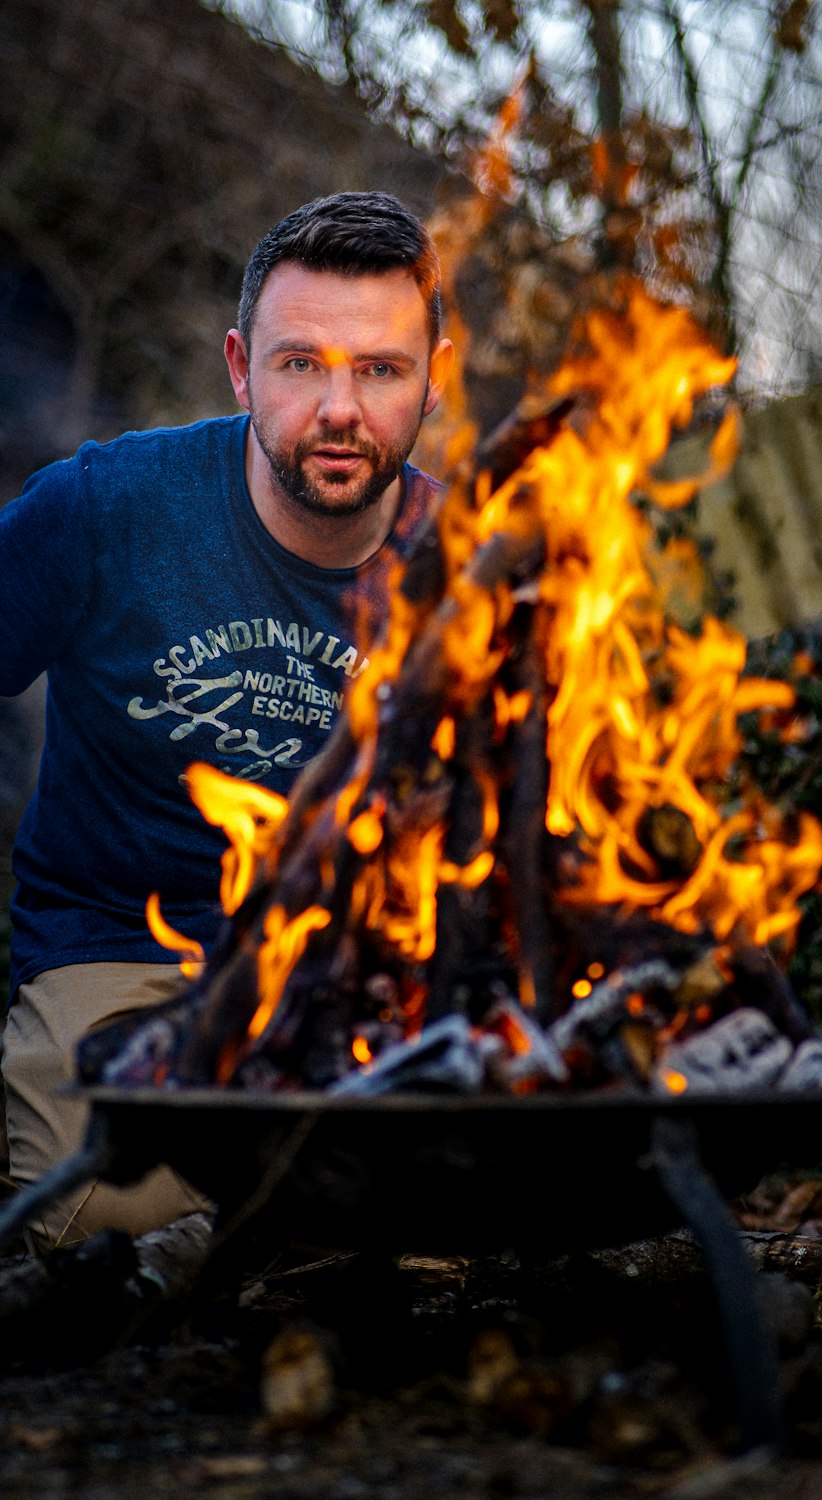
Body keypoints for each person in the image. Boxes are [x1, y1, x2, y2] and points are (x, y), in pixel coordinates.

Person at [0, 191, 454, 1248]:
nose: (339, 408)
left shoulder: (468, 571)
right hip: (125, 960)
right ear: (243, 367)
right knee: (104, 1217)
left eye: (380, 369)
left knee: (486, 1186)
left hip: (360, 988)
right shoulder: (109, 509)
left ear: (431, 383)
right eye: (302, 364)